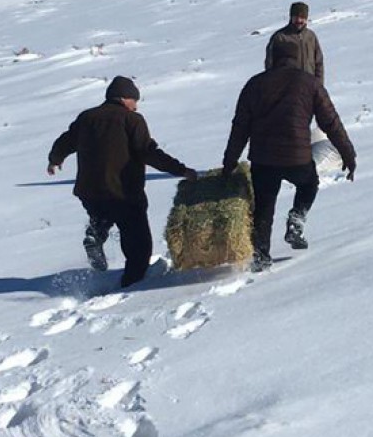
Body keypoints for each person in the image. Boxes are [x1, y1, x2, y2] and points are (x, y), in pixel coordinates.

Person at [48, 76, 196, 287]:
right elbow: (148, 152)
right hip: (123, 191)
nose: (136, 106)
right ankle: (132, 284)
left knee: (102, 213)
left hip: (89, 191)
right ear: (125, 98)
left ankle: (96, 234)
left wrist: (54, 159)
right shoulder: (132, 120)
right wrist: (180, 170)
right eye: (135, 101)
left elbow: (66, 140)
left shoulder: (87, 117)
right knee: (139, 244)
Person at [223, 37, 356, 271]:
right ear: (296, 59)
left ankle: (261, 254)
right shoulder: (310, 83)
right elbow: (331, 122)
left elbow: (240, 126)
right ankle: (296, 218)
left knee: (264, 206)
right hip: (297, 156)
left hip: (263, 159)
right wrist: (348, 154)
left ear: (273, 58)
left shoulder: (255, 84)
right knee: (308, 184)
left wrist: (230, 161)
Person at [265, 1, 325, 83]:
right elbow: (270, 65)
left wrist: (319, 85)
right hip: (288, 87)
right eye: (296, 17)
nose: (299, 20)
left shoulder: (311, 37)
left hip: (309, 86)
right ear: (291, 17)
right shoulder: (281, 37)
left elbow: (318, 63)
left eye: (302, 17)